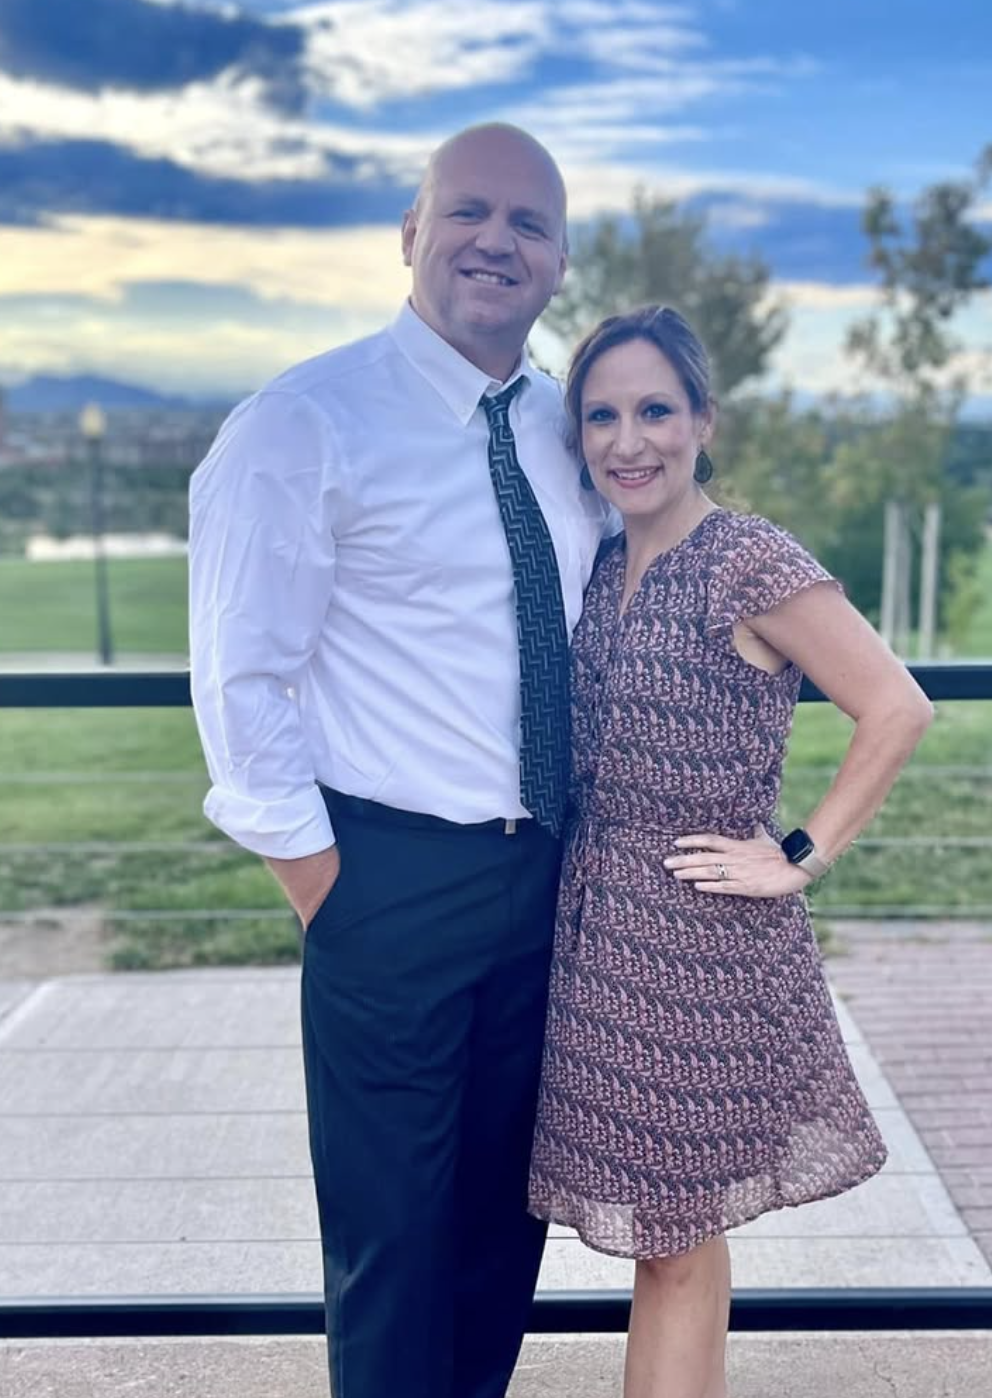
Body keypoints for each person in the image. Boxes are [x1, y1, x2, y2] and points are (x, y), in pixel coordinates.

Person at [188, 124, 610, 1398]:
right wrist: (330, 887)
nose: (497, 240)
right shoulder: (302, 424)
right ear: (411, 235)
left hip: (547, 881)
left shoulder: (567, 428)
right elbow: (240, 675)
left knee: (497, 1238)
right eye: (469, 212)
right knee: (391, 1249)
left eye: (528, 224)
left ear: (558, 262)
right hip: (386, 881)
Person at [527, 305, 934, 1398]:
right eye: (601, 416)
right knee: (681, 1239)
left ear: (703, 419)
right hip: (602, 943)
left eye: (655, 409)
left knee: (667, 1240)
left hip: (700, 951)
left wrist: (796, 852)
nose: (628, 440)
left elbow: (895, 707)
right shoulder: (596, 562)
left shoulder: (745, 560)